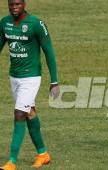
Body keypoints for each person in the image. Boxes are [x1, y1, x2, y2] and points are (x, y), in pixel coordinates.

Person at [0, 0, 60, 169]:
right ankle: (43, 154)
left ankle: (12, 161)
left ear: (24, 4)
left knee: (19, 113)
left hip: (31, 77)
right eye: (11, 4)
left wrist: (54, 81)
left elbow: (49, 52)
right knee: (29, 113)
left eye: (17, 4)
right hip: (14, 77)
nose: (14, 7)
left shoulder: (36, 24)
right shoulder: (5, 23)